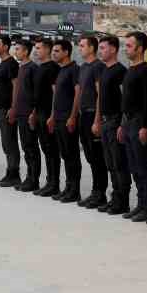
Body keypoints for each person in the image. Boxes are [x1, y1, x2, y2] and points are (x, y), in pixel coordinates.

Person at [121, 32, 147, 221]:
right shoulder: (130, 69)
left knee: (143, 166)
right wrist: (121, 124)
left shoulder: (145, 71)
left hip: (138, 122)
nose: (125, 49)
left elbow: (146, 102)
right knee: (134, 166)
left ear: (140, 48)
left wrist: (144, 126)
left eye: (129, 45)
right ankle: (140, 203)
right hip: (127, 122)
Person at [94, 35, 130, 215]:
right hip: (106, 121)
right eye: (99, 48)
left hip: (116, 121)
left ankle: (122, 201)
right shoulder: (103, 70)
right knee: (110, 163)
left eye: (103, 48)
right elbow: (100, 97)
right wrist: (98, 119)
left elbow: (125, 100)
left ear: (114, 49)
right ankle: (114, 197)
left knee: (119, 164)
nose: (100, 51)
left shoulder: (120, 71)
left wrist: (122, 124)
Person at [73, 34, 107, 208]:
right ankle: (95, 191)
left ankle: (100, 193)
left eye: (83, 45)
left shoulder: (98, 67)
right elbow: (79, 93)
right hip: (83, 115)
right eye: (79, 45)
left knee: (97, 157)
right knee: (89, 155)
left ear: (92, 48)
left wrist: (97, 120)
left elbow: (100, 94)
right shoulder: (83, 67)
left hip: (93, 114)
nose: (80, 48)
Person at [47, 39, 81, 202]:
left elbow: (77, 94)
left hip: (68, 119)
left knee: (72, 155)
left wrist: (73, 116)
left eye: (57, 51)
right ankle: (68, 187)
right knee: (65, 155)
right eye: (53, 51)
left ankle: (74, 190)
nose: (54, 53)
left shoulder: (74, 69)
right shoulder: (60, 70)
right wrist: (53, 116)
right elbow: (55, 96)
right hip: (58, 119)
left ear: (66, 52)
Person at [33, 40, 62, 197]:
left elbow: (55, 93)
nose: (36, 51)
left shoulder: (52, 68)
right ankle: (49, 181)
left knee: (52, 150)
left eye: (38, 48)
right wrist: (33, 113)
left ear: (47, 49)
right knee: (45, 149)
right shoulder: (39, 68)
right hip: (39, 113)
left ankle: (54, 184)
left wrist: (52, 115)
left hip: (48, 114)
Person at [0, 36, 22, 187]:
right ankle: (9, 172)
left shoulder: (11, 64)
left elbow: (16, 86)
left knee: (10, 143)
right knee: (5, 143)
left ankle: (14, 174)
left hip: (6, 109)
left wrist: (13, 107)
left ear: (6, 46)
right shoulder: (3, 63)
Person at [14, 40, 41, 192]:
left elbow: (36, 94)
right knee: (26, 147)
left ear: (25, 52)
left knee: (32, 148)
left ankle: (34, 179)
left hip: (29, 114)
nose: (15, 52)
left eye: (18, 49)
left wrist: (33, 113)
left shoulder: (32, 68)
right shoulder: (21, 68)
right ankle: (28, 177)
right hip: (20, 114)